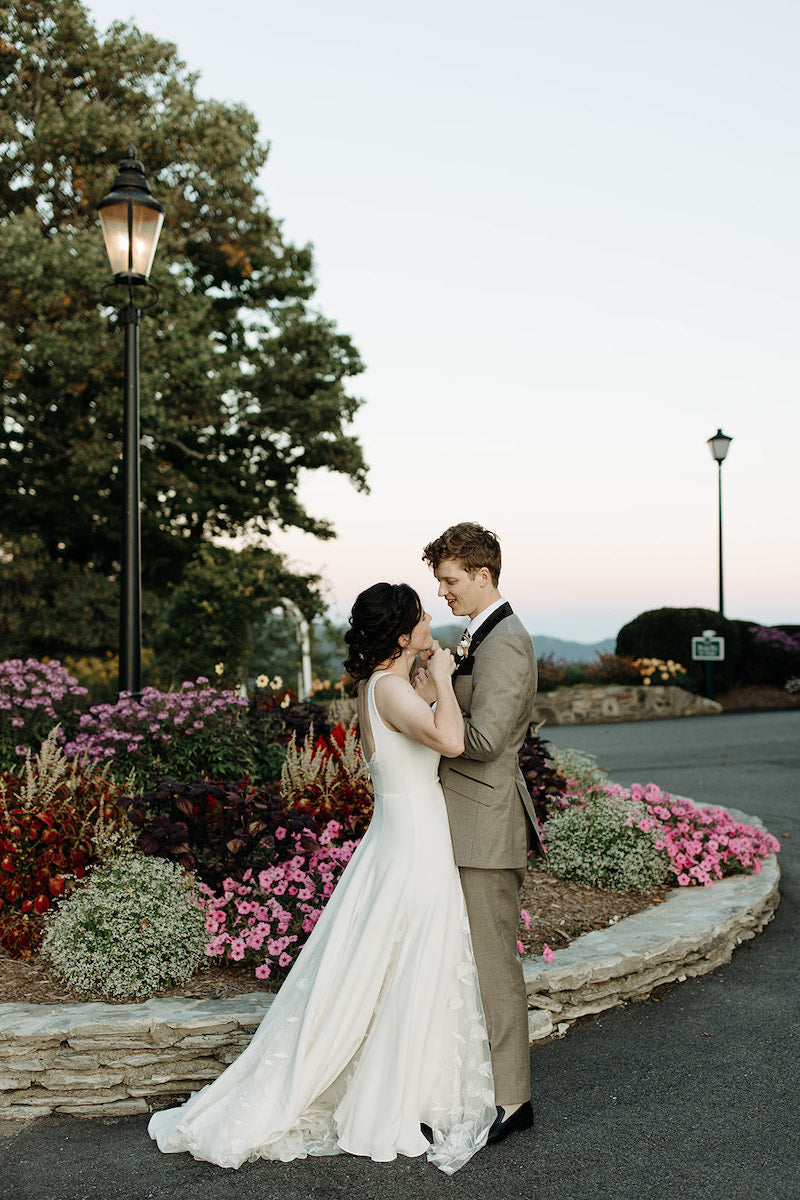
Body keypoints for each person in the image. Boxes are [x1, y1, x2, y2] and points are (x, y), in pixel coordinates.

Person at [148, 582, 495, 1175]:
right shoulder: (389, 688)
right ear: (400, 632)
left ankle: (407, 1084)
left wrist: (431, 672)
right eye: (420, 616)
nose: (430, 617)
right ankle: (386, 1098)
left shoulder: (381, 685)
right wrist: (440, 676)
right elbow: (453, 740)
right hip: (412, 842)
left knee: (403, 960)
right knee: (407, 957)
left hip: (404, 835)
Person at [417, 523, 543, 1145]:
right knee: (460, 962)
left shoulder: (507, 642)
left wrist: (435, 708)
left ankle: (513, 1100)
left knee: (493, 965)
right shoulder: (477, 637)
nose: (441, 592)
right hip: (459, 820)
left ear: (484, 574)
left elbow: (488, 739)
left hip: (486, 825)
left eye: (449, 580)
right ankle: (469, 1084)